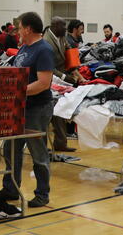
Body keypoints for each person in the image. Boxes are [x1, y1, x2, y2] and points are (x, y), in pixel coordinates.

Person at [0, 12, 53, 208]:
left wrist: (16, 93)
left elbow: (43, 83)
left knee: (37, 152)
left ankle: (42, 194)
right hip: (20, 106)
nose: (18, 31)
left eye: (20, 27)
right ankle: (11, 188)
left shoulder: (43, 50)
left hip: (37, 108)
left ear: (29, 28)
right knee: (10, 148)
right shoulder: (24, 48)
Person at [45, 17, 79, 152]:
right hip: (50, 79)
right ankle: (40, 145)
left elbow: (69, 54)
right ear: (55, 26)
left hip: (61, 80)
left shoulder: (61, 37)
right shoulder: (47, 41)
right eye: (63, 26)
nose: (66, 29)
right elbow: (48, 66)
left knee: (58, 112)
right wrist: (65, 77)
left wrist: (76, 72)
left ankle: (60, 143)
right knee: (49, 114)